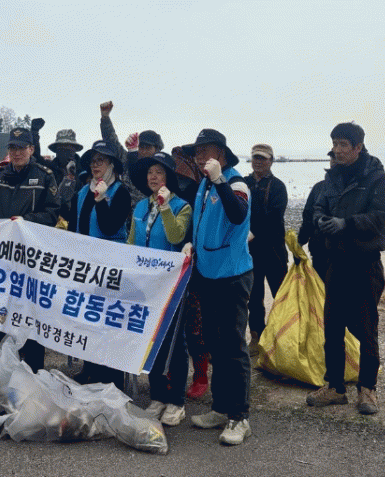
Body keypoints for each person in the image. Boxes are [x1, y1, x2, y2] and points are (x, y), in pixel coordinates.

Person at [306, 122, 385, 415]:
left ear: (358, 147)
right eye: (335, 144)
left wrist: (347, 224)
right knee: (332, 326)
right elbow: (319, 207)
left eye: (344, 144)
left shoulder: (377, 179)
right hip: (336, 263)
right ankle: (335, 387)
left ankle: (367, 388)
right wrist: (320, 221)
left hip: (365, 264)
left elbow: (380, 217)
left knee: (366, 327)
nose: (338, 150)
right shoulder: (332, 178)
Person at [182, 129, 254, 446]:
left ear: (221, 155)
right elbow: (202, 223)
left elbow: (237, 215)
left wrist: (220, 180)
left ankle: (239, 417)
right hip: (207, 274)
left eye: (205, 151)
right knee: (214, 343)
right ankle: (221, 407)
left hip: (232, 276)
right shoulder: (204, 184)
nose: (199, 158)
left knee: (233, 347)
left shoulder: (235, 183)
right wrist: (191, 243)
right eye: (197, 153)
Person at [0, 127, 60, 372]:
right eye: (12, 148)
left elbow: (53, 213)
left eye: (22, 148)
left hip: (31, 259)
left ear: (31, 149)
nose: (17, 152)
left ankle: (33, 376)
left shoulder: (44, 176)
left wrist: (26, 222)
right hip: (0, 258)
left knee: (30, 318)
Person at [127, 151, 192, 426]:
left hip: (171, 285)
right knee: (151, 339)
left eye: (159, 172)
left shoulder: (182, 206)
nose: (153, 177)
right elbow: (132, 242)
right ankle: (157, 396)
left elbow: (177, 236)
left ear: (169, 178)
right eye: (150, 172)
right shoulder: (141, 206)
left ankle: (177, 401)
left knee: (174, 342)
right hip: (145, 285)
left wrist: (165, 208)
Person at [68, 140, 132, 390]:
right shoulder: (82, 192)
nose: (96, 166)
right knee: (88, 319)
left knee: (109, 323)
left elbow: (110, 227)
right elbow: (73, 229)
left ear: (112, 165)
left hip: (111, 267)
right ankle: (90, 370)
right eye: (93, 161)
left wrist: (102, 199)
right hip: (85, 266)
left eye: (101, 161)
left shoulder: (120, 192)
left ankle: (112, 379)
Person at [171, 145, 209, 399]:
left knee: (195, 322)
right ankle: (175, 373)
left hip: (193, 261)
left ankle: (201, 374)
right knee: (174, 322)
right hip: (171, 261)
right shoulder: (172, 187)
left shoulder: (201, 187)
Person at [243, 144, 288, 355]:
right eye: (255, 158)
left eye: (263, 158)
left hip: (274, 249)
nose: (258, 162)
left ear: (271, 161)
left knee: (281, 294)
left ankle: (283, 336)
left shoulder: (278, 186)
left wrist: (254, 232)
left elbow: (275, 216)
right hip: (250, 251)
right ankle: (256, 336)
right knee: (254, 297)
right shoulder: (244, 183)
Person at [99, 100, 164, 207]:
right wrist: (105, 118)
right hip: (122, 213)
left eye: (148, 148)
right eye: (141, 147)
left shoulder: (163, 171)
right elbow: (112, 142)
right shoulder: (128, 160)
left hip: (148, 214)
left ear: (157, 150)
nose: (143, 151)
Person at [297, 151, 336, 282]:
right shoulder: (319, 187)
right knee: (319, 289)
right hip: (319, 249)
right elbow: (308, 217)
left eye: (337, 157)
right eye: (332, 157)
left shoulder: (353, 187)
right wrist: (300, 242)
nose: (334, 160)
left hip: (344, 252)